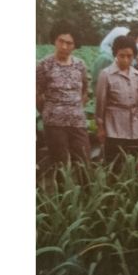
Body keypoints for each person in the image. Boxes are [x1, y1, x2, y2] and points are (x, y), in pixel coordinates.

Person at [36, 20, 91, 167]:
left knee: (84, 162)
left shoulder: (80, 65)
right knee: (61, 165)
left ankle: (85, 189)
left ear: (74, 45)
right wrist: (50, 112)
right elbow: (37, 94)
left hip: (77, 123)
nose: (64, 46)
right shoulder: (44, 65)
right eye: (61, 41)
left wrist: (75, 109)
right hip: (54, 125)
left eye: (69, 43)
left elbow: (84, 91)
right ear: (55, 40)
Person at [95, 36, 138, 167]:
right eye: (121, 56)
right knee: (114, 164)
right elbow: (100, 103)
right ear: (115, 54)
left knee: (133, 162)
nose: (125, 59)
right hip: (113, 126)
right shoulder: (106, 74)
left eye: (129, 56)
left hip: (134, 125)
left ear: (134, 56)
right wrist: (100, 127)